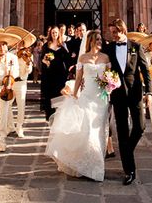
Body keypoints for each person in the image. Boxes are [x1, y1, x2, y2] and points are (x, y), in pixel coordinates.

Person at [45, 29, 111, 181]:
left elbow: (109, 78)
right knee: (88, 131)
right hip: (87, 97)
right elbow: (79, 78)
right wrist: (75, 94)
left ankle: (96, 164)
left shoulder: (105, 57)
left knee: (99, 131)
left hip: (101, 99)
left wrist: (111, 87)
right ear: (91, 41)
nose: (101, 42)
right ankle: (89, 166)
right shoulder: (83, 57)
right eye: (98, 39)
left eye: (101, 39)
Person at [104, 18, 152, 185]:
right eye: (111, 33)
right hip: (118, 95)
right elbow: (104, 69)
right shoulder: (109, 48)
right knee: (122, 130)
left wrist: (149, 93)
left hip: (135, 92)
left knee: (140, 126)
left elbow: (145, 71)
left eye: (115, 32)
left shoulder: (136, 47)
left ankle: (126, 150)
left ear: (122, 30)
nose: (114, 36)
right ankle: (129, 170)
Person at [6, 27, 35, 138]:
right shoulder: (12, 54)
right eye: (17, 43)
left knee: (21, 106)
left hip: (22, 83)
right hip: (12, 82)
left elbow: (30, 71)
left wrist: (28, 64)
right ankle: (11, 126)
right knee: (7, 104)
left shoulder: (28, 55)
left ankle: (19, 127)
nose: (19, 46)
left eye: (21, 43)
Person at [40, 26, 71, 120]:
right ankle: (50, 115)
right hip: (49, 73)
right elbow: (42, 59)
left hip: (60, 74)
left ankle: (60, 115)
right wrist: (45, 61)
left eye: (56, 33)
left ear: (59, 34)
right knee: (50, 94)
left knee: (59, 93)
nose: (54, 34)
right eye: (53, 33)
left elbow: (67, 59)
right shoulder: (46, 45)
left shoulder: (62, 45)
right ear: (50, 34)